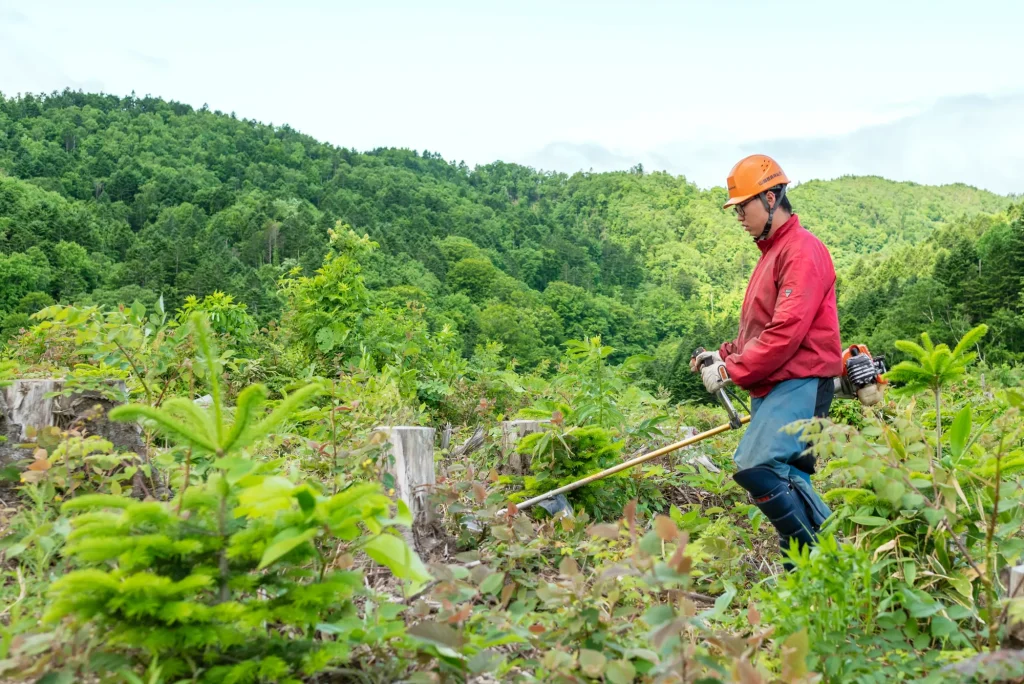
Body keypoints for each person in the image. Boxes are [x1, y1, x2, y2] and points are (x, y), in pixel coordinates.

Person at [690, 154, 842, 566]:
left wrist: (731, 370)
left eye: (743, 206)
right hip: (777, 385)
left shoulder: (801, 251)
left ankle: (836, 564)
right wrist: (720, 355)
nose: (739, 215)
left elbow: (785, 333)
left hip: (801, 382)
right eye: (736, 208)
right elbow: (758, 331)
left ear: (771, 198)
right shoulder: (773, 253)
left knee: (759, 467)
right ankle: (808, 576)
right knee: (788, 478)